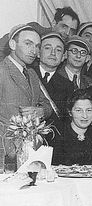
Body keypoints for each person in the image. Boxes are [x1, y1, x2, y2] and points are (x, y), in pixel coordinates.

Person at [0, 25, 52, 163]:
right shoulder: (2, 71)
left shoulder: (32, 74)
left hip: (29, 151)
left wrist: (41, 111)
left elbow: (48, 105)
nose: (33, 51)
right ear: (12, 44)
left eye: (37, 46)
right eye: (28, 43)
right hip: (4, 153)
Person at [52, 89, 92, 165]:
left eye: (89, 110)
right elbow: (62, 159)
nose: (85, 116)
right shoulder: (60, 132)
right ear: (70, 112)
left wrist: (81, 157)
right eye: (78, 110)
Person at [0, 7, 80, 61]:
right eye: (64, 27)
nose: (67, 33)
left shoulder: (69, 49)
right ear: (54, 23)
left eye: (72, 30)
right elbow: (2, 46)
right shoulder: (35, 30)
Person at [32, 32, 74, 134]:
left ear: (64, 56)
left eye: (58, 50)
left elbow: (65, 120)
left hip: (52, 137)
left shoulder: (67, 85)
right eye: (47, 48)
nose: (53, 53)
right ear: (38, 52)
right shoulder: (28, 74)